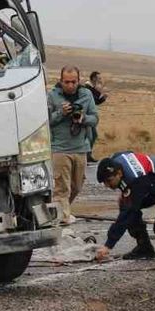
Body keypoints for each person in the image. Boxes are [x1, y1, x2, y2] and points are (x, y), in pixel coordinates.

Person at [47, 66, 99, 225]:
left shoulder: (86, 94)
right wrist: (60, 114)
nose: (70, 85)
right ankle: (62, 218)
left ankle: (59, 211)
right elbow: (46, 120)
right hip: (60, 148)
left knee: (77, 185)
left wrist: (82, 118)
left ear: (79, 80)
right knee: (61, 188)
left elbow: (95, 118)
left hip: (81, 147)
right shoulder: (52, 96)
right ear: (61, 81)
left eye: (73, 82)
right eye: (67, 82)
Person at [94, 151, 155, 262]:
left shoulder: (135, 179)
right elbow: (128, 153)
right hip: (153, 183)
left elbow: (127, 214)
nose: (107, 186)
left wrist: (108, 245)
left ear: (119, 173)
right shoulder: (116, 159)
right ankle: (144, 247)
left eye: (109, 181)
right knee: (126, 204)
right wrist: (124, 192)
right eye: (104, 182)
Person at [82, 71, 108, 163]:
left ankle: (88, 155)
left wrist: (103, 98)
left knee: (93, 135)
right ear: (94, 78)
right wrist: (100, 94)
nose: (100, 80)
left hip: (90, 116)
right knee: (89, 136)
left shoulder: (91, 88)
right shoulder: (88, 88)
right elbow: (93, 100)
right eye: (99, 78)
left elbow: (95, 102)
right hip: (86, 116)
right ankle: (86, 156)